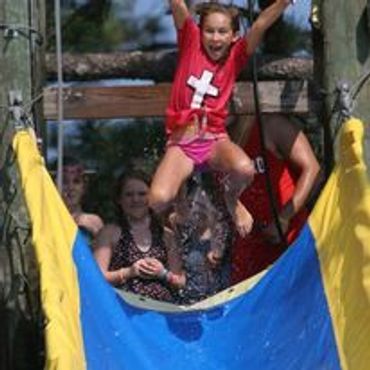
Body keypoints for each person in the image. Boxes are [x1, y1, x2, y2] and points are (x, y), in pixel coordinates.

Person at [149, 0, 292, 238]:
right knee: (157, 199)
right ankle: (179, 202)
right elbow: (177, 4)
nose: (215, 38)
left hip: (214, 140)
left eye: (222, 32)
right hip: (182, 144)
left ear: (234, 36)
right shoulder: (190, 42)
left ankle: (231, 198)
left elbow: (261, 24)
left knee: (245, 169)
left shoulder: (236, 56)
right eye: (210, 31)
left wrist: (284, 2)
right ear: (199, 31)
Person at [230, 114, 321, 283]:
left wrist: (284, 217)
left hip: (290, 236)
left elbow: (313, 169)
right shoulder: (217, 142)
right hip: (249, 247)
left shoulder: (271, 126)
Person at [94, 170, 185, 303]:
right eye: (129, 195)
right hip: (125, 313)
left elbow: (181, 282)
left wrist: (163, 273)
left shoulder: (166, 235)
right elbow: (95, 278)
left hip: (162, 312)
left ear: (151, 197)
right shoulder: (109, 233)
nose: (136, 199)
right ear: (119, 200)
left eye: (142, 194)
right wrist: (129, 272)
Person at [169, 180, 232, 304]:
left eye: (203, 206)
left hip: (220, 302)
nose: (197, 212)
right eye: (192, 205)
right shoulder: (184, 232)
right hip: (189, 302)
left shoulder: (223, 234)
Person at [61, 157, 104, 239]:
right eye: (64, 182)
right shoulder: (48, 219)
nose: (71, 187)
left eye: (76, 181)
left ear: (84, 187)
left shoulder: (93, 221)